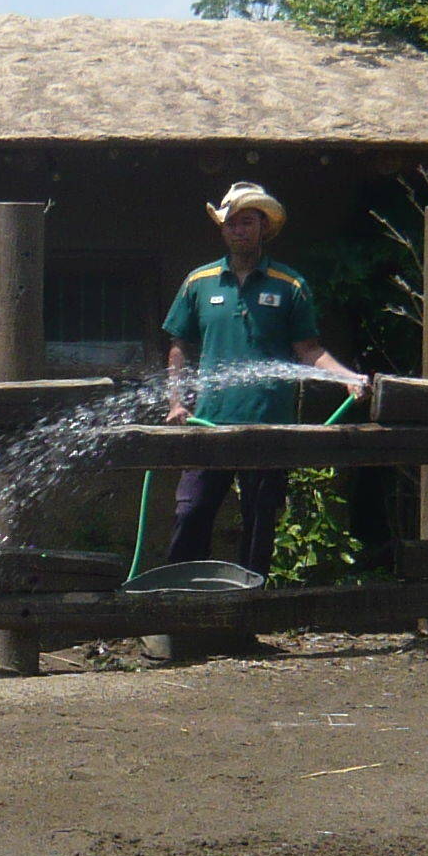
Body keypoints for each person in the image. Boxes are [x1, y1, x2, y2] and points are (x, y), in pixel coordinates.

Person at [158, 181, 364, 575]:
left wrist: (347, 378)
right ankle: (178, 606)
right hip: (209, 422)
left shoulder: (290, 285)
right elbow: (178, 345)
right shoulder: (198, 282)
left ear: (263, 228)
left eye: (247, 222)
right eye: (232, 223)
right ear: (222, 229)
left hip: (269, 422)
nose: (239, 230)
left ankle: (248, 614)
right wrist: (176, 402)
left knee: (260, 524)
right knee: (191, 511)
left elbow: (308, 350)